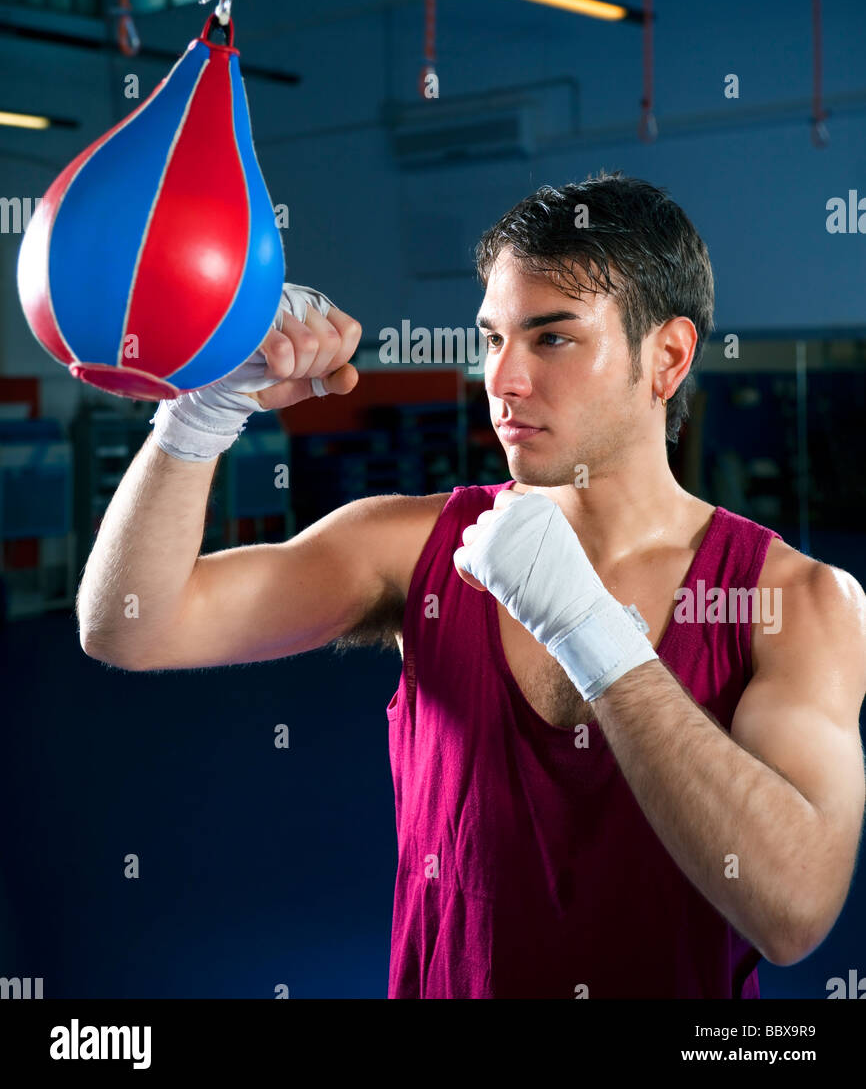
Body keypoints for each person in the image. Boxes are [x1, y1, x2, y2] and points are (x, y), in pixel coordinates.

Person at [76, 171, 866, 999]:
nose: (504, 379)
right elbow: (127, 625)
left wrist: (592, 631)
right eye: (493, 339)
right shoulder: (417, 547)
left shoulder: (796, 602)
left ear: (667, 356)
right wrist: (203, 414)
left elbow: (793, 911)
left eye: (552, 338)